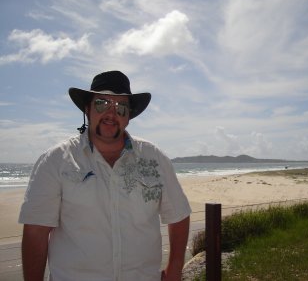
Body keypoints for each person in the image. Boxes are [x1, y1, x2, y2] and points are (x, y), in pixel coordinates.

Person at [19, 70, 191, 281]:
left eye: (120, 108)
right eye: (102, 104)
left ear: (128, 116)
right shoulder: (55, 161)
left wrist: (174, 268)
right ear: (87, 108)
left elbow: (179, 215)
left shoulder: (154, 158)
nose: (111, 113)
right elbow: (36, 231)